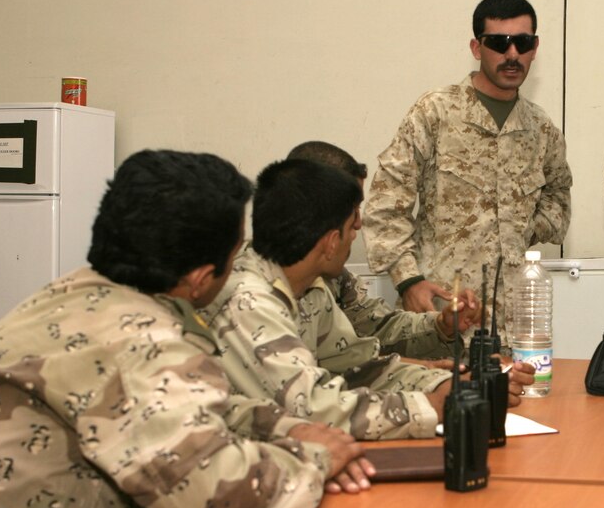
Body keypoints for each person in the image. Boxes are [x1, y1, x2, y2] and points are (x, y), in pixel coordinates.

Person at [0, 150, 371, 508]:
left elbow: (184, 408)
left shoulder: (83, 291)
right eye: (235, 255)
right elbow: (214, 493)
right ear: (199, 279)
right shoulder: (142, 338)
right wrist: (317, 458)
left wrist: (288, 429)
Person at [201, 159, 532, 441]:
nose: (358, 231)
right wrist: (433, 406)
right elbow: (310, 408)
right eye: (352, 224)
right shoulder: (248, 302)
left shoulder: (310, 286)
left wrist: (453, 386)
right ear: (331, 242)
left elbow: (360, 367)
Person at [363, 0, 573, 347]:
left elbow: (558, 198)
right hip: (441, 316)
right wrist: (408, 281)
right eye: (499, 43)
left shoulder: (541, 129)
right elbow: (386, 202)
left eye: (522, 43)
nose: (512, 54)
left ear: (534, 47)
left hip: (513, 326)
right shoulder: (436, 113)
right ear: (477, 48)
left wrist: (519, 228)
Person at [287, 140, 473, 363]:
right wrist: (431, 374)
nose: (358, 223)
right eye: (352, 209)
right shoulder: (255, 289)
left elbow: (377, 329)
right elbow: (333, 376)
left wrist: (440, 326)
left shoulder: (332, 280)